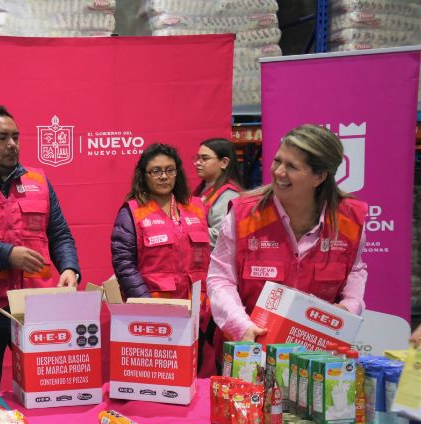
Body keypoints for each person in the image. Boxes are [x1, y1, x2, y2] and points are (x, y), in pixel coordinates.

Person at [0, 105, 80, 391]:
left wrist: (71, 268)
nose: (12, 145)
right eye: (1, 138)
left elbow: (60, 234)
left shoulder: (39, 181)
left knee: (47, 391)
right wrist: (7, 255)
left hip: (36, 309)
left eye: (15, 137)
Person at [206, 124, 368, 346]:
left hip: (316, 354)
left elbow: (355, 270)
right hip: (249, 348)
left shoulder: (349, 219)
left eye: (292, 166)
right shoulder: (244, 214)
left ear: (319, 177)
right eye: (277, 161)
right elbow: (220, 278)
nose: (278, 172)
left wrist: (348, 308)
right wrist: (242, 326)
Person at [111, 143, 210, 304]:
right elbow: (124, 265)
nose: (164, 176)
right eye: (155, 171)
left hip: (198, 308)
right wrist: (145, 304)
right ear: (143, 175)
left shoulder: (196, 207)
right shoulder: (132, 211)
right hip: (155, 309)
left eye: (170, 170)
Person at [192, 138, 243, 246]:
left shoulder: (228, 195)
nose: (198, 163)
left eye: (204, 159)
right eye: (197, 158)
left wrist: (187, 230)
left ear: (224, 162)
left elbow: (221, 235)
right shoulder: (202, 189)